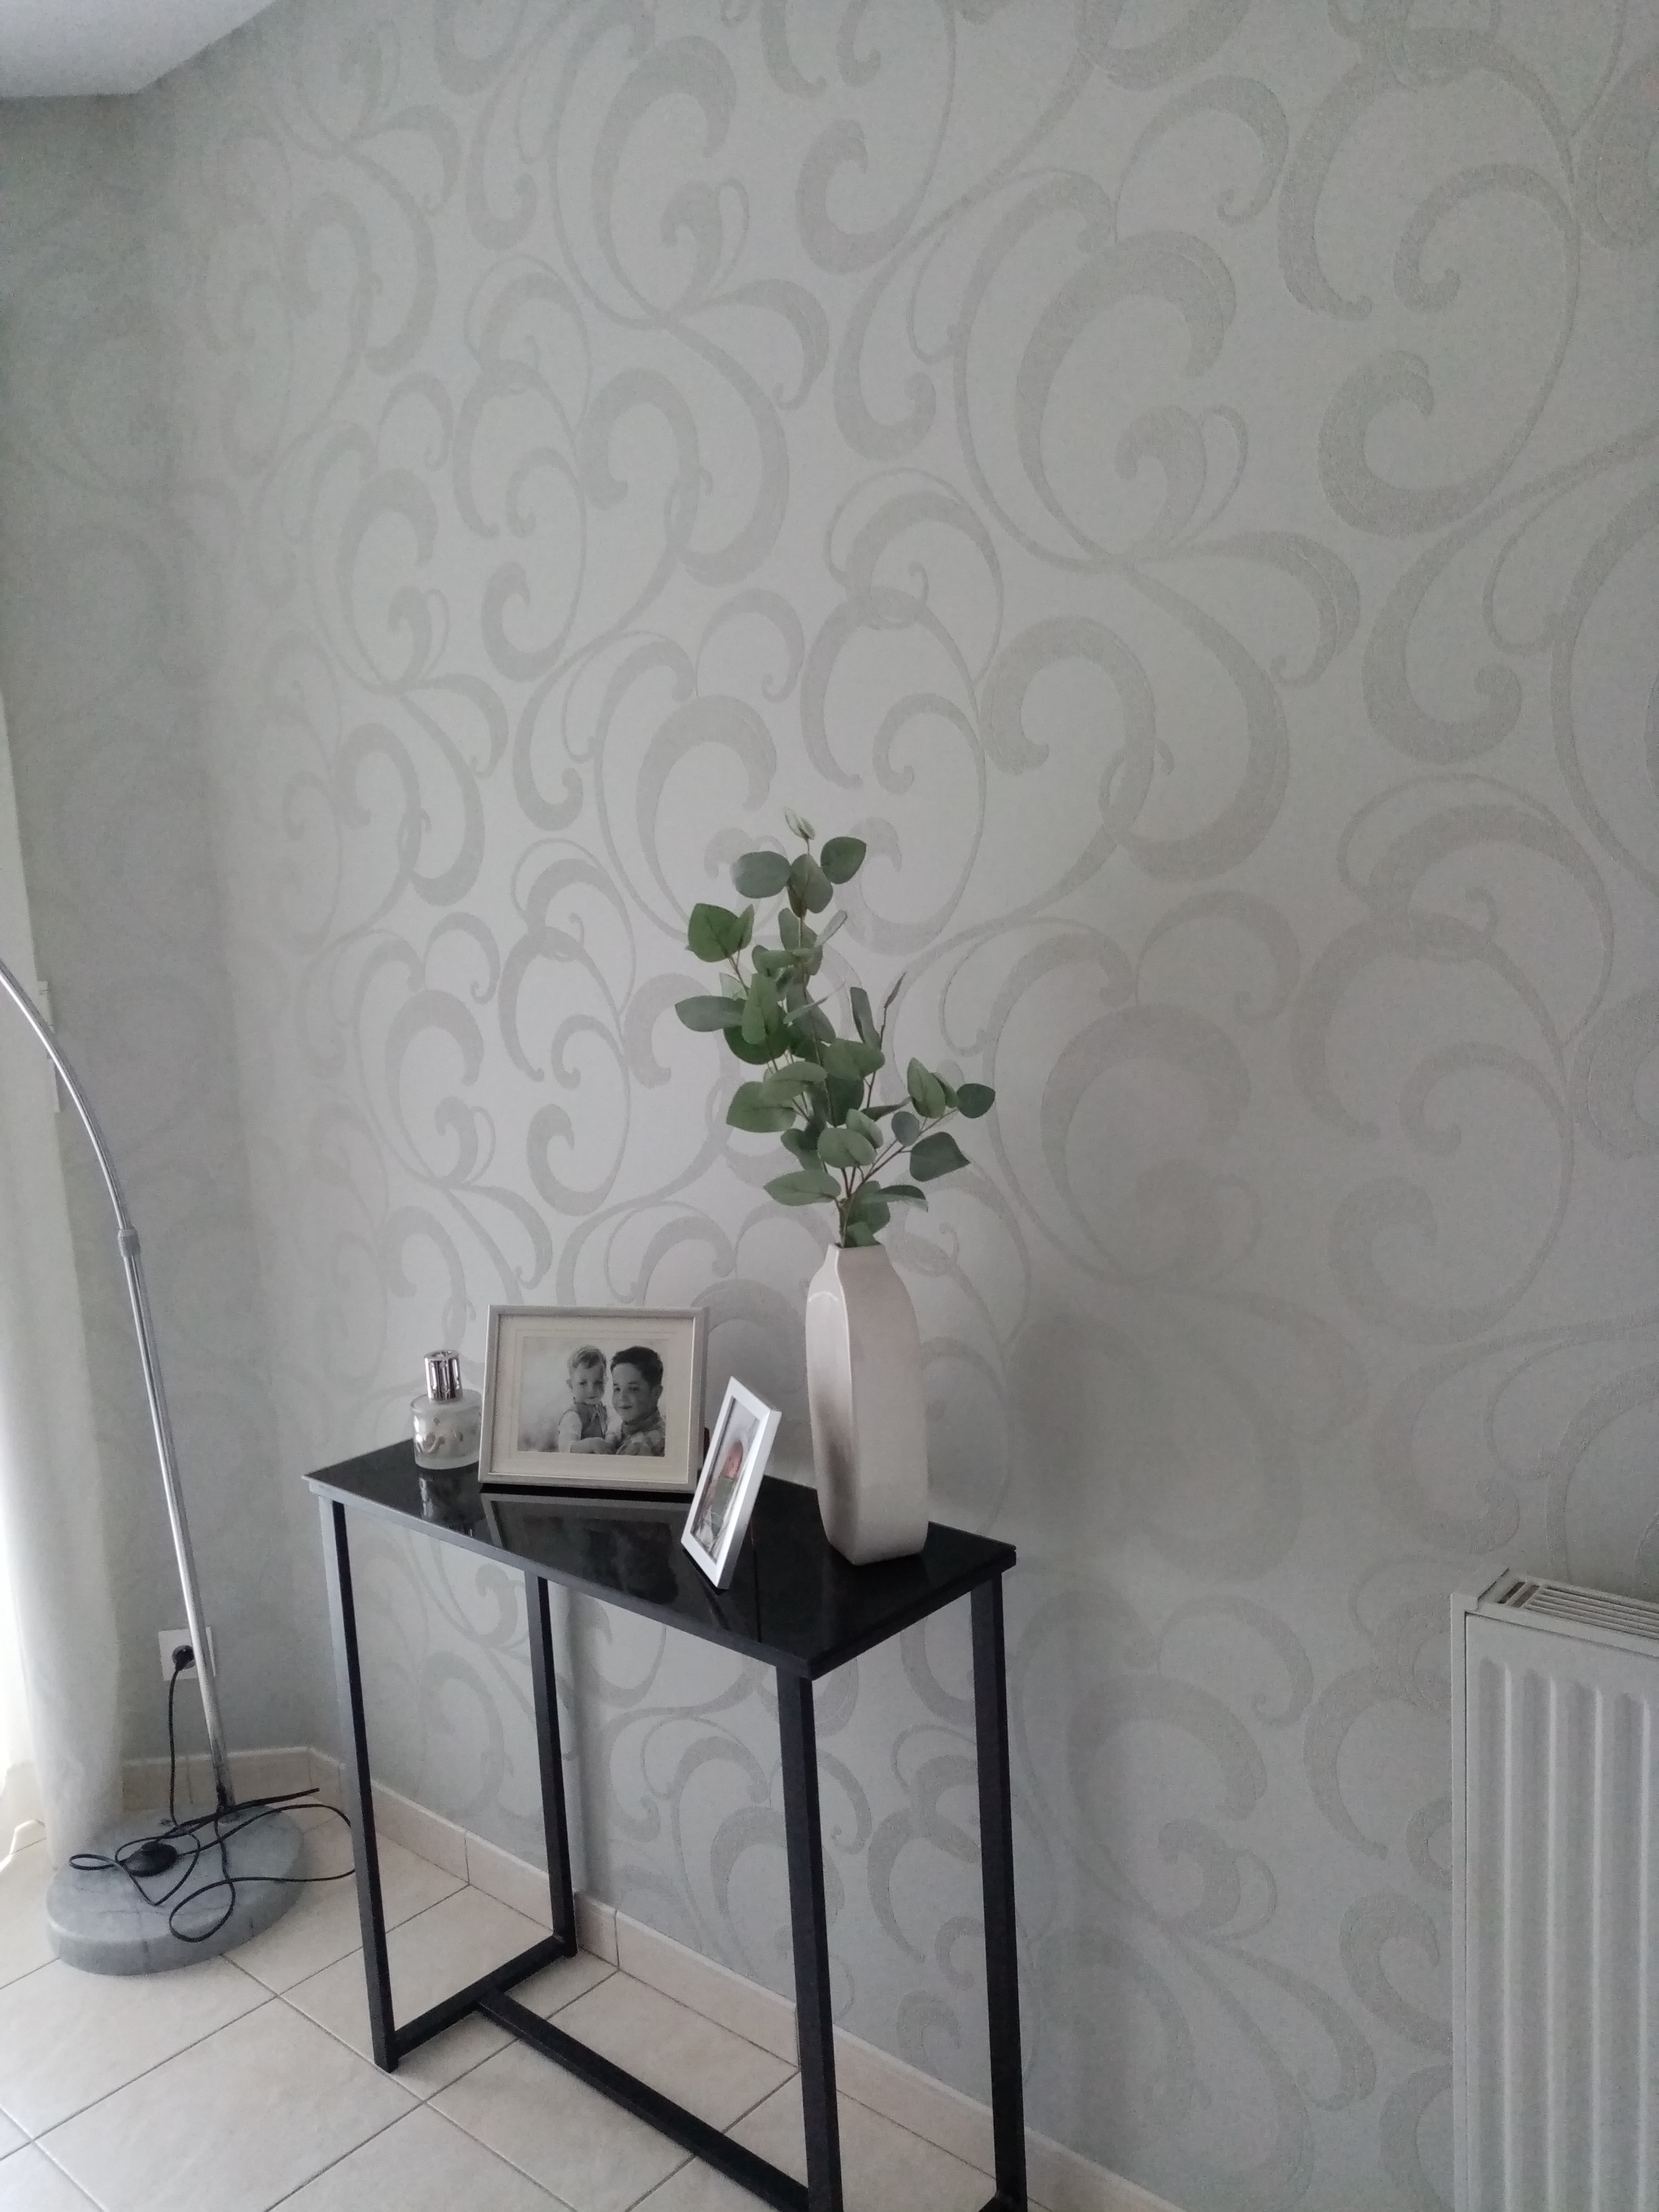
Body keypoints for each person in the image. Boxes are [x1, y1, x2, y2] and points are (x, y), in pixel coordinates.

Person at [692, 1431, 746, 1554]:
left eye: (734, 1462)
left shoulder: (731, 1488)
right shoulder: (716, 1483)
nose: (732, 1464)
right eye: (730, 1459)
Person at [607, 1346, 666, 1456]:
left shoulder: (639, 1448)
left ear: (656, 1393)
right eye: (617, 1389)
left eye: (633, 1389)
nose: (622, 1397)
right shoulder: (622, 1431)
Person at [555, 1346, 612, 1453]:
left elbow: (611, 1428)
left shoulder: (602, 1409)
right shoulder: (573, 1415)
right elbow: (566, 1448)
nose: (592, 1390)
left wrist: (611, 1438)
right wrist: (591, 1445)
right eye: (583, 1383)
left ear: (605, 1382)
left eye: (598, 1383)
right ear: (571, 1385)